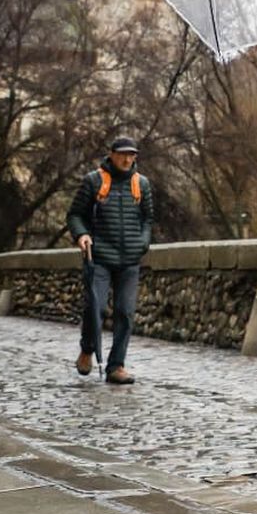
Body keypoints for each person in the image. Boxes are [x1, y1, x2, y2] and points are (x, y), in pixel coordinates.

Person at [66, 136, 154, 385]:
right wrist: (81, 235)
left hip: (130, 260)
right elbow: (74, 215)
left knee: (125, 312)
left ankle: (116, 366)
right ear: (112, 154)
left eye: (131, 155)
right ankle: (87, 348)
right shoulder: (94, 181)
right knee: (96, 307)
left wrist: (143, 242)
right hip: (100, 257)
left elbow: (148, 219)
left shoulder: (141, 184)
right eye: (123, 154)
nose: (127, 160)